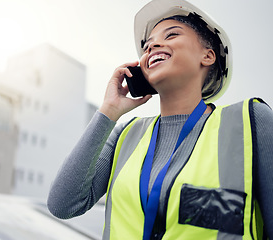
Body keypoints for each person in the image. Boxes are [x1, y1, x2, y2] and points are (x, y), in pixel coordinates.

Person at [47, 0, 273, 239]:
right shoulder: (125, 136)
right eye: (146, 46)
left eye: (172, 34)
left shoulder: (250, 123)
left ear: (208, 56)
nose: (152, 45)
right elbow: (63, 205)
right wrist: (109, 111)